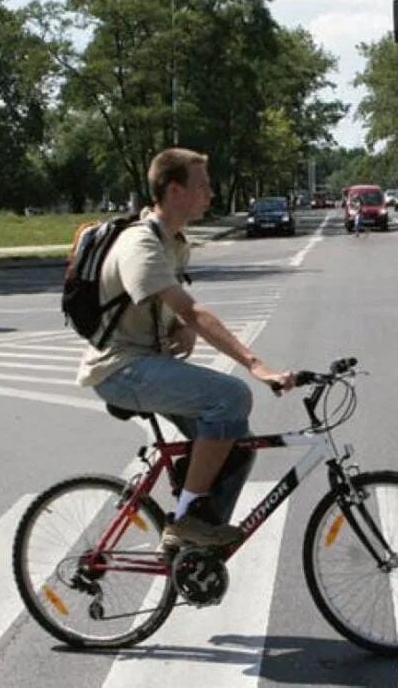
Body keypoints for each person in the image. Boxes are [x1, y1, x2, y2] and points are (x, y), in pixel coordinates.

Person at [77, 147, 295, 548]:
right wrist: (255, 364)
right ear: (175, 191)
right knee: (233, 395)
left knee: (238, 445)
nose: (210, 194)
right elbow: (191, 308)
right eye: (202, 186)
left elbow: (168, 310)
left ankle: (197, 545)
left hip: (146, 361)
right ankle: (185, 522)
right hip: (120, 369)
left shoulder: (174, 242)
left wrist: (180, 327)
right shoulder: (139, 244)